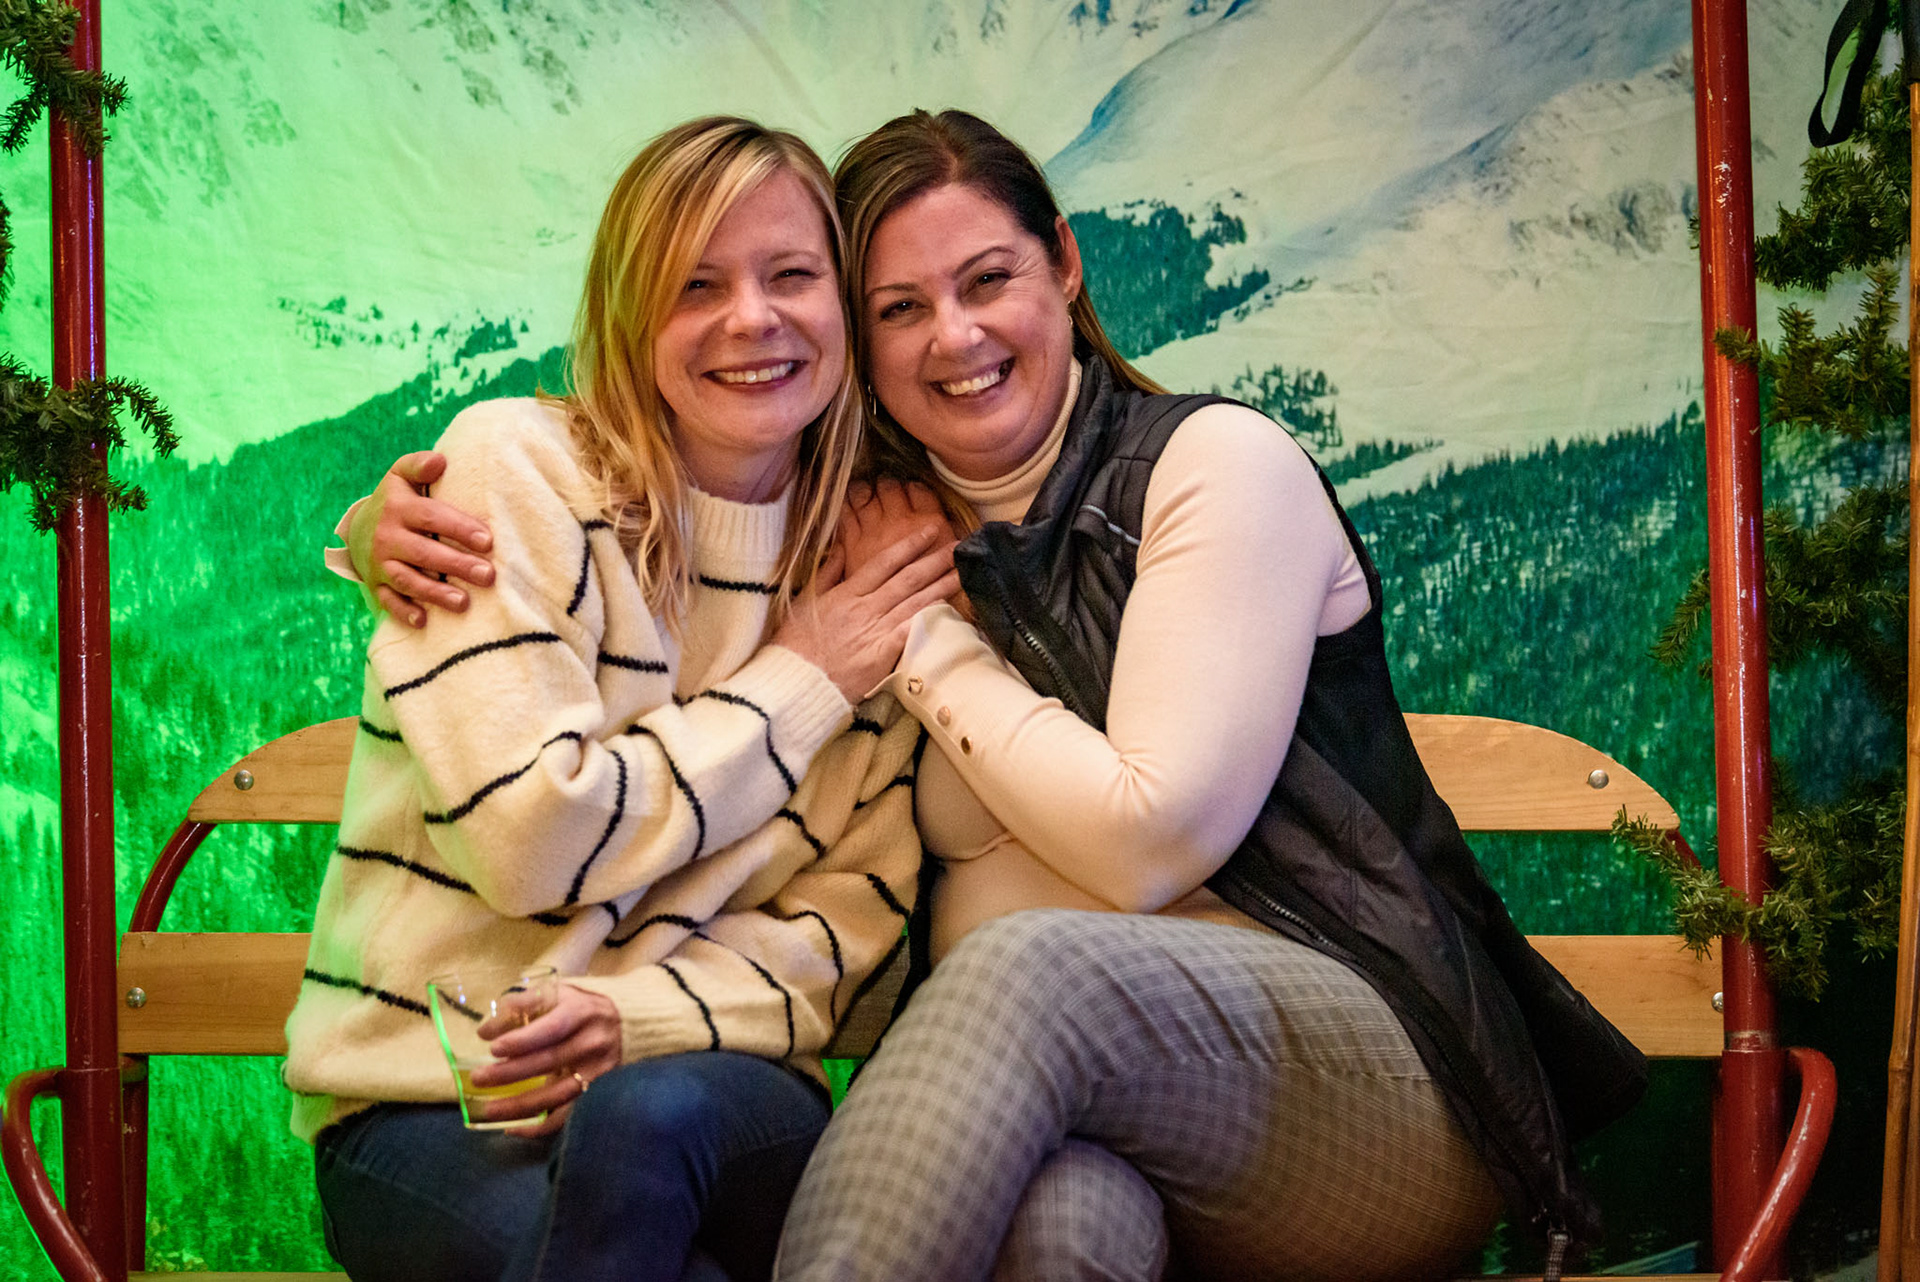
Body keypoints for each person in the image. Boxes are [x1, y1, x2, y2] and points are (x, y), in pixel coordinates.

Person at [349, 111, 1648, 1282]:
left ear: (1064, 267)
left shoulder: (1208, 469)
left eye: (987, 281)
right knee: (1059, 1232)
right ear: (860, 339)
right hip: (1097, 1131)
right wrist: (385, 529)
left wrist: (913, 634)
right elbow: (642, 541)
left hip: (1366, 1090)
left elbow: (1149, 843)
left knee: (1031, 966)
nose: (955, 337)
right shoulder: (859, 519)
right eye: (900, 306)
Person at [282, 115, 958, 1282]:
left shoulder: (878, 554)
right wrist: (804, 678)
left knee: (645, 1115)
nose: (753, 317)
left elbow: (840, 928)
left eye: (793, 275)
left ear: (845, 308)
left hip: (720, 1090)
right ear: (628, 317)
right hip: (437, 1102)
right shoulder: (518, 475)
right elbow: (532, 840)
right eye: (696, 285)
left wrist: (636, 1020)